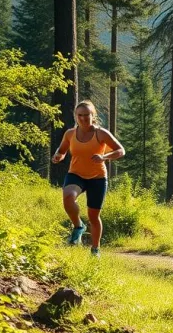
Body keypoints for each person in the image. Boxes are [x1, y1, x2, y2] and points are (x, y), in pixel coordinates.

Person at [51, 100, 125, 257]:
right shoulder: (70, 133)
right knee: (68, 197)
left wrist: (104, 156)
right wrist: (58, 155)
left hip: (97, 178)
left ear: (93, 116)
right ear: (76, 117)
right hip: (76, 174)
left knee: (93, 216)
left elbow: (121, 150)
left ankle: (95, 249)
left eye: (87, 115)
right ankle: (78, 226)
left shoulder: (101, 133)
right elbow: (62, 150)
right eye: (80, 115)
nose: (83, 118)